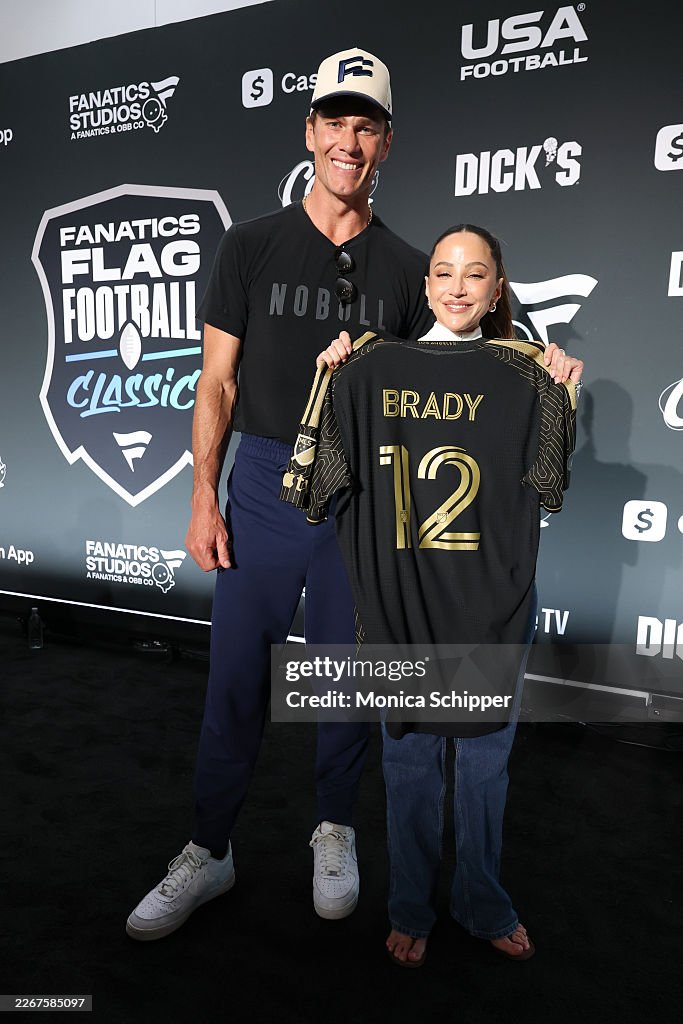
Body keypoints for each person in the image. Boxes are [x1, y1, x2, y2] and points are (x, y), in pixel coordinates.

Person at [125, 44, 581, 941]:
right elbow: (215, 384)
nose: (347, 139)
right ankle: (207, 850)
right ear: (309, 132)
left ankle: (332, 830)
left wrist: (545, 369)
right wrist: (201, 497)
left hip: (366, 501)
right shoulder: (249, 244)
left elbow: (458, 380)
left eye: (364, 125)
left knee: (342, 678)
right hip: (259, 476)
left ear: (385, 144)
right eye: (333, 120)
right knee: (236, 683)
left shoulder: (412, 269)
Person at [308, 224, 583, 966]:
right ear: (425, 286)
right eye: (442, 272)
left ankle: (481, 901)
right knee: (406, 761)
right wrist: (328, 382)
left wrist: (562, 400)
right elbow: (310, 488)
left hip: (489, 602)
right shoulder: (365, 368)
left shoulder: (529, 374)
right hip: (400, 601)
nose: (457, 286)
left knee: (486, 764)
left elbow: (549, 487)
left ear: (498, 289)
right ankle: (410, 907)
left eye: (475, 274)